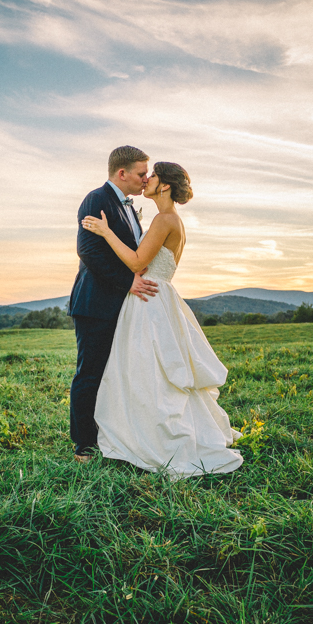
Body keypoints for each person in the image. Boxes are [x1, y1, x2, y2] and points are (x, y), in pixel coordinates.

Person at [81, 161, 243, 479]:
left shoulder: (164, 219)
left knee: (145, 372)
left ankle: (152, 438)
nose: (147, 180)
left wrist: (105, 232)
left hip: (147, 302)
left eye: (152, 176)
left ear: (165, 185)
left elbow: (137, 264)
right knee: (152, 371)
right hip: (160, 297)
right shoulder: (170, 221)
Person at [68, 146, 159, 462]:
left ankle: (111, 438)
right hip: (95, 304)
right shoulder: (97, 199)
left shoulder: (129, 207)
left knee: (114, 374)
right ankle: (84, 448)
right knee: (90, 374)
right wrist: (129, 282)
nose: (145, 179)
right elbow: (88, 251)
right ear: (122, 173)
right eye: (141, 173)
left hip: (119, 305)